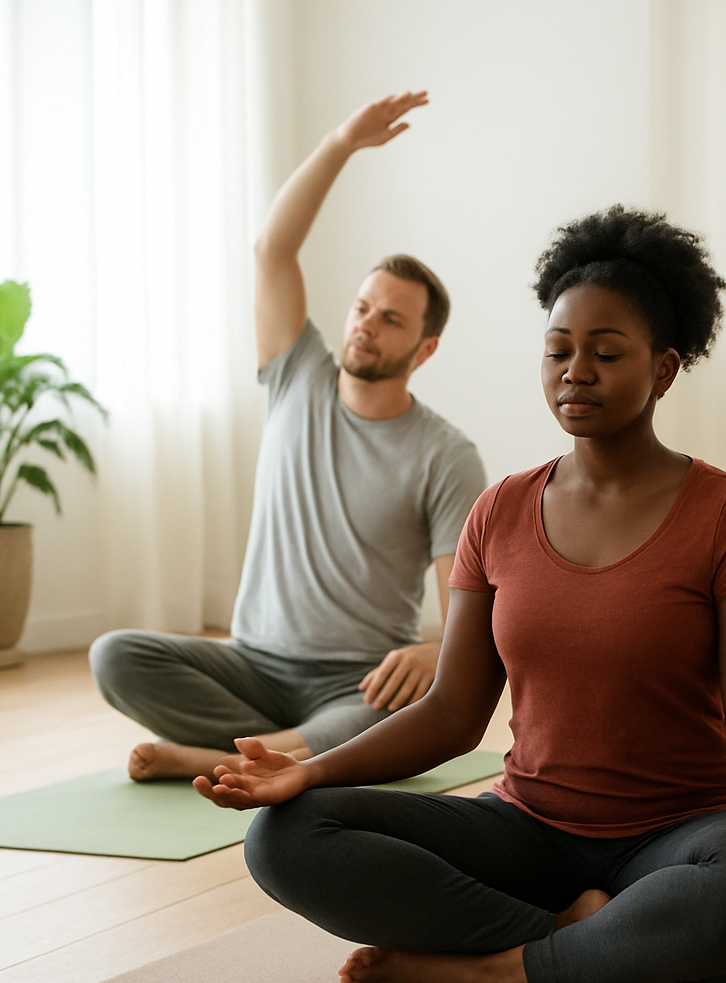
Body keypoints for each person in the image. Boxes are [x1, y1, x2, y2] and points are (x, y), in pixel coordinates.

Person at [194, 206, 726, 983]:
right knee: (284, 838)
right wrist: (310, 772)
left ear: (663, 371)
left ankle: (490, 967)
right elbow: (454, 711)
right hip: (526, 831)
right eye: (558, 350)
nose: (575, 372)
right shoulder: (498, 512)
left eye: (606, 353)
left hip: (678, 834)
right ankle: (580, 943)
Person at [90, 92, 486, 781]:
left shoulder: (446, 454)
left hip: (356, 681)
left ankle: (240, 756)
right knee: (115, 656)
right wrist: (341, 142)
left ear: (425, 350)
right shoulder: (296, 374)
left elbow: (464, 610)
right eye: (362, 308)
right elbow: (273, 248)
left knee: (395, 709)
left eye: (391, 320)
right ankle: (272, 753)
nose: (366, 324)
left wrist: (434, 652)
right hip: (251, 664)